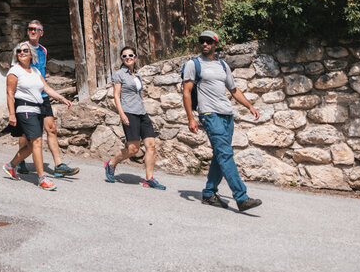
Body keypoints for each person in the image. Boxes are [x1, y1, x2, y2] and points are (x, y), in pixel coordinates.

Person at [183, 30, 263, 212]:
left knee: (220, 155)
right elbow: (186, 92)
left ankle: (209, 193)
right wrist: (190, 118)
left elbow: (233, 90)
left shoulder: (222, 65)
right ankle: (241, 197)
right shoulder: (193, 64)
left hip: (227, 114)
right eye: (202, 41)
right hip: (209, 114)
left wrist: (250, 106)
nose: (204, 44)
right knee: (225, 154)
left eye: (208, 41)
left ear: (215, 44)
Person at [3, 43, 72, 190]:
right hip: (25, 109)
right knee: (37, 142)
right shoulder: (14, 71)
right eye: (19, 51)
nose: (22, 53)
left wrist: (62, 98)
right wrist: (12, 114)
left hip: (38, 109)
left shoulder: (35, 71)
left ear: (31, 54)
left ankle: (11, 166)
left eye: (25, 50)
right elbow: (10, 93)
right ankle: (42, 178)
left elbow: (46, 88)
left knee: (30, 146)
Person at [16, 20, 80, 178]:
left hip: (43, 95)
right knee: (25, 133)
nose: (33, 31)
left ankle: (58, 165)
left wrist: (59, 96)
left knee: (51, 129)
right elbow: (16, 72)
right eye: (30, 29)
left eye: (36, 29)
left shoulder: (43, 50)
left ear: (41, 33)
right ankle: (20, 161)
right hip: (27, 97)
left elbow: (42, 73)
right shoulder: (22, 48)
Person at [103, 46, 166, 189]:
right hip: (129, 112)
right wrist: (122, 114)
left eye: (130, 55)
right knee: (133, 149)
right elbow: (116, 96)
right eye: (124, 56)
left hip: (142, 112)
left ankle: (149, 179)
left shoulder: (138, 75)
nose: (128, 58)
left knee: (151, 145)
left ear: (135, 57)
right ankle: (111, 163)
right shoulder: (119, 74)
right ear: (122, 59)